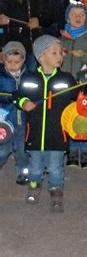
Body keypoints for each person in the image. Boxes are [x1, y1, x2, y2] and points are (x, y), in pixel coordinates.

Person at [14, 35, 79, 213]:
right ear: (41, 57)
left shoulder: (66, 80)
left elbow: (79, 97)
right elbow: (17, 96)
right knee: (35, 165)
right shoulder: (30, 78)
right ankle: (34, 186)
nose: (60, 56)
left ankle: (56, 190)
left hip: (58, 134)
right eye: (54, 52)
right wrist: (23, 102)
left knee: (55, 167)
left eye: (61, 52)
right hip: (34, 133)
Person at [60, 0, 87, 169]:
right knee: (70, 115)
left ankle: (85, 152)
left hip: (86, 82)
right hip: (66, 83)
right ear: (67, 18)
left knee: (86, 116)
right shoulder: (62, 38)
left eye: (81, 15)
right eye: (74, 15)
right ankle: (72, 151)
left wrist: (83, 55)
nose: (78, 17)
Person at [0, 41, 30, 185]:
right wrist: (11, 97)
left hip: (23, 121)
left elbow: (35, 94)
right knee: (3, 148)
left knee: (22, 149)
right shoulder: (1, 76)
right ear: (3, 59)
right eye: (9, 61)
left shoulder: (29, 76)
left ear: (23, 60)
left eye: (16, 62)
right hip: (5, 120)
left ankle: (23, 172)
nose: (12, 65)